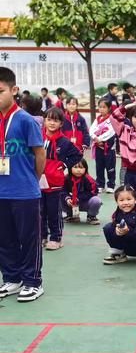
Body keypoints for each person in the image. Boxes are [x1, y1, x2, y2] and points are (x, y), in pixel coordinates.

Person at [0, 67, 46, 302]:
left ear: (14, 90)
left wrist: (32, 180)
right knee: (4, 238)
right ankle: (12, 278)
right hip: (1, 192)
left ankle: (32, 281)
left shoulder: (26, 120)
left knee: (28, 238)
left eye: (0, 91)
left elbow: (40, 155)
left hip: (24, 191)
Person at [41, 107, 83, 250]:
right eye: (49, 119)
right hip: (37, 180)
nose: (52, 123)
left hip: (54, 182)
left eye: (56, 120)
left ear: (61, 123)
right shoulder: (38, 137)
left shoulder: (64, 142)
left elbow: (77, 155)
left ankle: (56, 238)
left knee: (53, 211)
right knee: (40, 211)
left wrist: (64, 165)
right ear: (44, 120)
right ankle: (42, 237)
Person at [63, 158, 102, 225]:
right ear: (70, 168)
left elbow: (93, 192)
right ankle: (71, 215)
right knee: (57, 197)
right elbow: (62, 190)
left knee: (96, 200)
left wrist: (79, 198)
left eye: (81, 168)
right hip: (71, 203)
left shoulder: (88, 179)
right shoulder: (66, 178)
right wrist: (68, 198)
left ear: (85, 169)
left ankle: (91, 216)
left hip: (84, 203)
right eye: (75, 167)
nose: (78, 170)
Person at [89, 98, 116, 193]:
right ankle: (100, 184)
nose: (101, 109)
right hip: (98, 147)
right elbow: (91, 130)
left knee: (110, 166)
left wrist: (101, 139)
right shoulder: (97, 119)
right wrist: (95, 138)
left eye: (104, 107)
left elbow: (111, 132)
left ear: (109, 108)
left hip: (108, 147)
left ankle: (111, 185)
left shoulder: (111, 119)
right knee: (99, 166)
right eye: (100, 107)